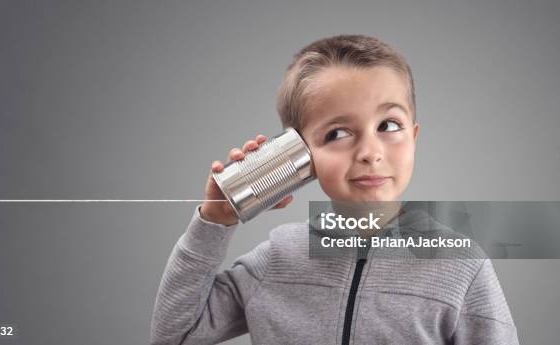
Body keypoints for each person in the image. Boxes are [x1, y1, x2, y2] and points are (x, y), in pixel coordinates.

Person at [149, 35, 519, 345]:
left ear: (414, 137)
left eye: (389, 125)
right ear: (299, 154)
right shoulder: (275, 260)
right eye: (337, 133)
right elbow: (175, 334)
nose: (370, 153)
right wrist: (216, 220)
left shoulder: (461, 266)